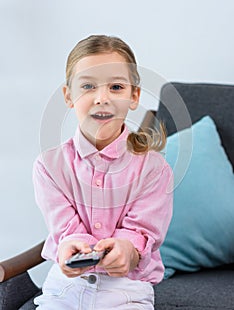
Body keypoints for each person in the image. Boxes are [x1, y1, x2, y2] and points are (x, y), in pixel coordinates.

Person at [33, 35, 173, 309]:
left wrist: (127, 250)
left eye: (116, 87)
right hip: (65, 288)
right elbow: (66, 230)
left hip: (126, 291)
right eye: (87, 86)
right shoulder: (48, 166)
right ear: (69, 96)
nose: (102, 98)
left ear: (134, 96)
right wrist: (72, 247)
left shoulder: (154, 169)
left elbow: (141, 232)